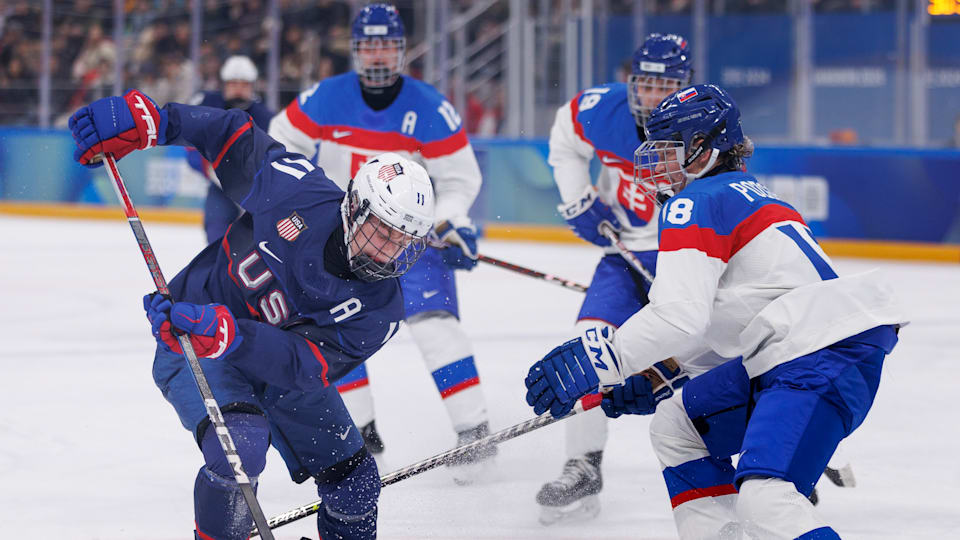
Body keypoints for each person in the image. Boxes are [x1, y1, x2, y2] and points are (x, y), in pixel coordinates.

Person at [524, 84, 906, 539]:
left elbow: (677, 314)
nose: (655, 165)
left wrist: (599, 360)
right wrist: (663, 373)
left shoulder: (695, 201)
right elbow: (747, 316)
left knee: (766, 503)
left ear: (707, 146)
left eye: (670, 150)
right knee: (677, 424)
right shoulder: (747, 195)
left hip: (813, 357)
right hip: (805, 352)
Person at [69, 89, 436, 539]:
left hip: (273, 368)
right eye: (381, 230)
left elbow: (304, 364)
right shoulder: (295, 188)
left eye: (402, 240)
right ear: (354, 207)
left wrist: (234, 335)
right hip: (197, 339)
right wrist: (156, 122)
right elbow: (230, 134)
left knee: (357, 487)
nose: (389, 251)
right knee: (238, 452)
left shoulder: (382, 308)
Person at [268, 3, 494, 483]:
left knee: (434, 323)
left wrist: (453, 220)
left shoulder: (430, 107)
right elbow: (280, 142)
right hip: (342, 242)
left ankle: (475, 433)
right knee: (331, 334)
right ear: (354, 51)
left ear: (401, 51)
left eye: (386, 47)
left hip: (410, 243)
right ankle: (361, 438)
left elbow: (460, 177)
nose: (376, 57)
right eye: (368, 46)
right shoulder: (323, 99)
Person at [537, 33, 696, 523]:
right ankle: (583, 465)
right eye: (645, 84)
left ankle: (762, 467)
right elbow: (565, 139)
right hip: (622, 255)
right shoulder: (600, 110)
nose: (652, 97)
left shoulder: (702, 128)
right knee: (590, 344)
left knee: (704, 364)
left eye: (665, 86)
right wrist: (578, 200)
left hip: (689, 256)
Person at [186, 55, 274, 243]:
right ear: (224, 84)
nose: (238, 90)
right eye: (233, 84)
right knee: (216, 235)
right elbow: (191, 150)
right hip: (220, 187)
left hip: (254, 189)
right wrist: (213, 170)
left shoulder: (266, 117)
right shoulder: (207, 106)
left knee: (259, 241)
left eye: (244, 84)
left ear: (253, 86)